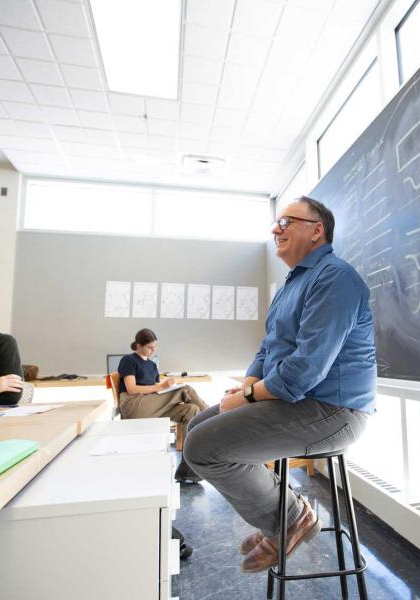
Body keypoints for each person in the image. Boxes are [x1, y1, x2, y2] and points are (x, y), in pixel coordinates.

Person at [182, 196, 376, 573]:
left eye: (286, 221)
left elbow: (304, 371)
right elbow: (268, 348)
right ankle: (280, 515)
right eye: (276, 222)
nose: (275, 229)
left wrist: (249, 396)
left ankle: (290, 518)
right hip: (298, 403)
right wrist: (249, 384)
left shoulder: (335, 278)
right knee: (197, 427)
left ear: (316, 230)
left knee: (202, 446)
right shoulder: (295, 282)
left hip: (334, 411)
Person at [117, 328, 208, 482]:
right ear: (138, 345)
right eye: (149, 347)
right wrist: (161, 387)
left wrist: (167, 385)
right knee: (186, 389)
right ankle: (215, 419)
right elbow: (132, 389)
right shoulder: (129, 360)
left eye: (155, 346)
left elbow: (157, 388)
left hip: (152, 406)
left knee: (192, 410)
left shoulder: (152, 365)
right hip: (134, 405)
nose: (153, 350)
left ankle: (187, 467)